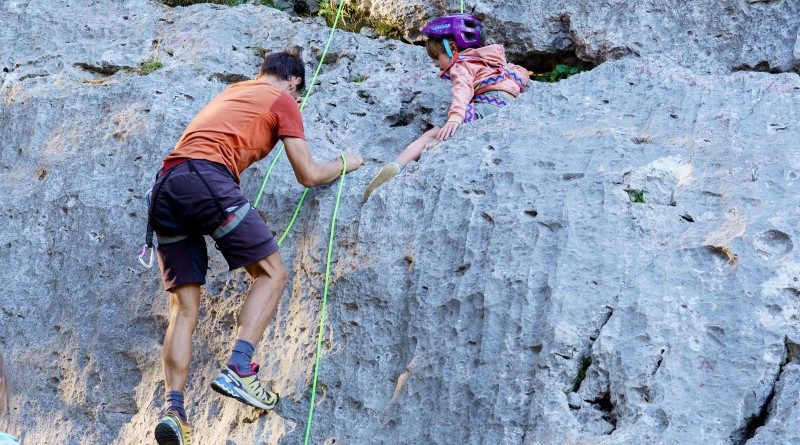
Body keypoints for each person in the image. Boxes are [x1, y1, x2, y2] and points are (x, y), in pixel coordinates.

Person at [146, 48, 364, 444]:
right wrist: (347, 162)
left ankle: (174, 410)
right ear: (296, 82)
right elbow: (309, 174)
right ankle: (240, 367)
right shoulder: (283, 99)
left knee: (183, 306)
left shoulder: (235, 92)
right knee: (272, 272)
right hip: (205, 179)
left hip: (165, 186)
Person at [363, 14, 530, 200]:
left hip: (486, 106)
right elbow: (521, 73)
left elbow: (462, 89)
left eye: (436, 57)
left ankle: (396, 165)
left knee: (433, 134)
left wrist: (455, 117)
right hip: (506, 105)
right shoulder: (492, 62)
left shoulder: (460, 65)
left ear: (452, 48)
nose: (435, 63)